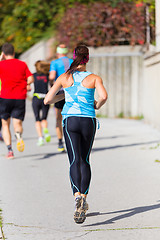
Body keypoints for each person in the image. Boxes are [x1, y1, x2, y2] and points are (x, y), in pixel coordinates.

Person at [44, 45, 108, 224]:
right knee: (85, 159)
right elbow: (104, 96)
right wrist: (96, 105)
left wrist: (65, 96)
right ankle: (84, 198)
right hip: (88, 120)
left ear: (74, 57)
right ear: (87, 58)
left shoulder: (64, 77)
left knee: (74, 160)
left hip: (70, 120)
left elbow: (48, 99)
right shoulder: (94, 78)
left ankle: (77, 196)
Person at [0, 43, 34, 159]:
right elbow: (30, 78)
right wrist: (27, 84)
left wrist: (1, 59)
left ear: (4, 54)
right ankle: (18, 135)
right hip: (20, 98)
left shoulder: (1, 64)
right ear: (14, 53)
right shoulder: (22, 64)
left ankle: (10, 151)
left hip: (5, 97)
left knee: (5, 125)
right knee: (17, 123)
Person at [49, 44, 73, 152]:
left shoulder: (54, 63)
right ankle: (72, 141)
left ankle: (60, 143)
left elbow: (51, 77)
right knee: (71, 116)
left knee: (59, 118)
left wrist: (52, 85)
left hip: (60, 92)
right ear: (66, 52)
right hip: (71, 91)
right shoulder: (72, 61)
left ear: (58, 52)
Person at [32, 60, 51, 146]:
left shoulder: (34, 75)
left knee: (37, 119)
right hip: (45, 98)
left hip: (36, 97)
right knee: (44, 118)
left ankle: (40, 138)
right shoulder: (47, 75)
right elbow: (51, 84)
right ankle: (45, 130)